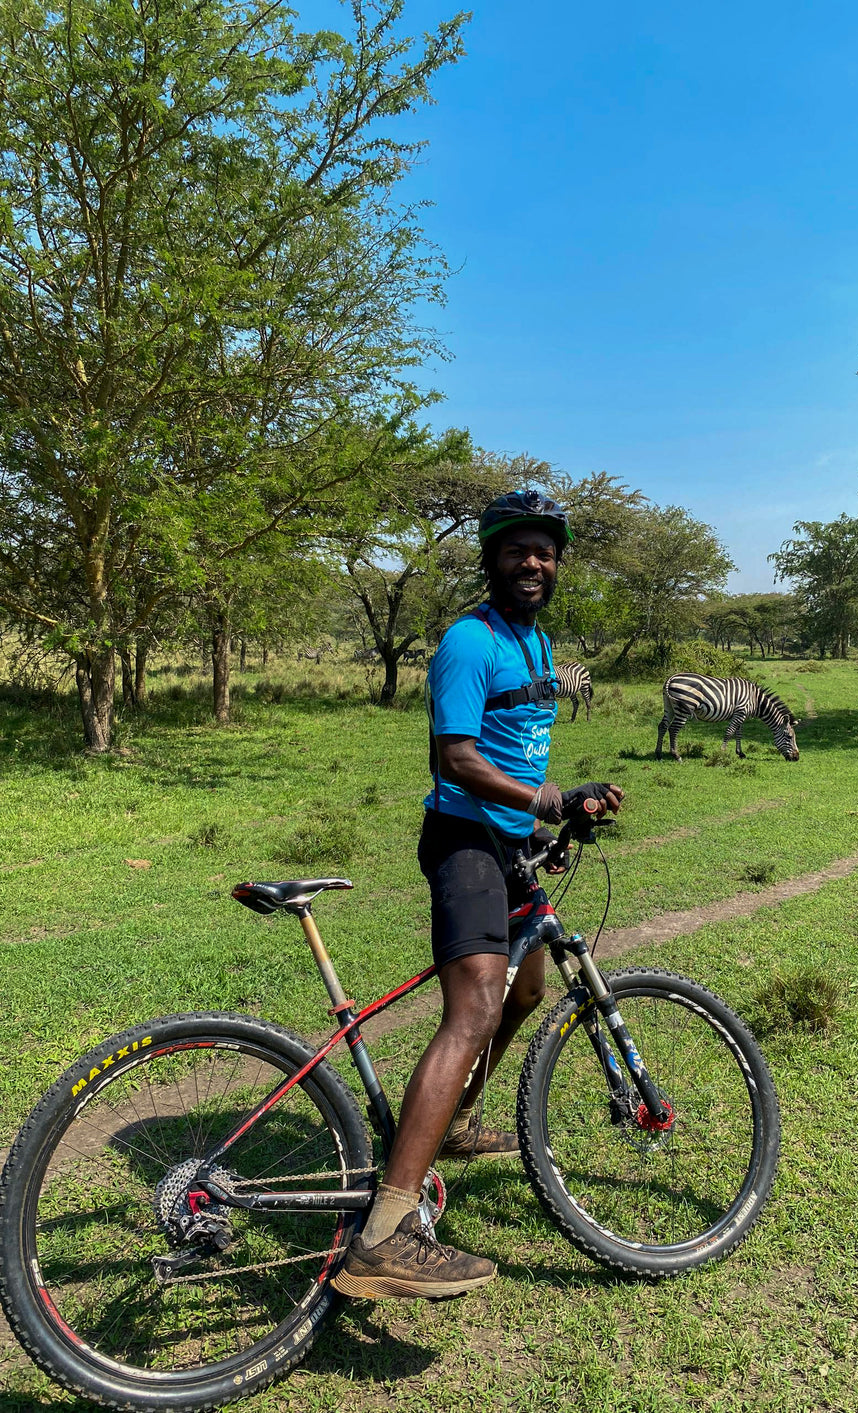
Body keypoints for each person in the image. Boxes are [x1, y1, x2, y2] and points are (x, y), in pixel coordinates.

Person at [332, 489, 624, 1300]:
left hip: (510, 846)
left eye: (546, 552)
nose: (534, 563)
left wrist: (551, 817)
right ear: (492, 558)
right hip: (463, 843)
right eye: (517, 550)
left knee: (527, 987)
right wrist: (544, 802)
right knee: (473, 1010)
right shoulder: (468, 640)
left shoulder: (537, 644)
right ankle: (384, 1235)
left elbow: (521, 751)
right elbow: (456, 758)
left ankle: (455, 1122)